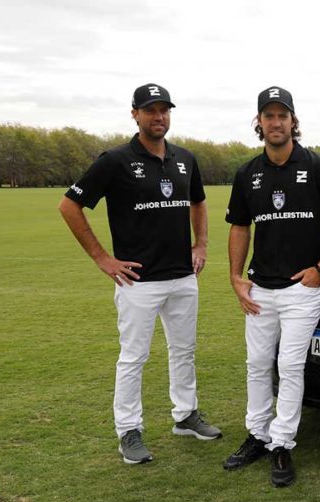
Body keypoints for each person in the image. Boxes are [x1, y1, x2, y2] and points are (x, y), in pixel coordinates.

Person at [59, 83, 220, 465]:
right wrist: (102, 258)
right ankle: (128, 431)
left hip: (182, 275)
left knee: (184, 351)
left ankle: (185, 415)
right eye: (150, 110)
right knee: (134, 357)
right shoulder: (114, 160)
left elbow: (198, 201)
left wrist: (201, 245)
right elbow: (69, 206)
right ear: (135, 114)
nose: (158, 116)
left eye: (164, 109)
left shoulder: (185, 158)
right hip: (138, 281)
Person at [223, 86, 320, 488]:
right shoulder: (248, 172)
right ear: (258, 123)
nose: (275, 122)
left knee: (290, 366)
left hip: (303, 288)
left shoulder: (317, 166)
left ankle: (282, 443)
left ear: (293, 121)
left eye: (283, 116)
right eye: (268, 116)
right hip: (261, 288)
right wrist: (236, 276)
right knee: (258, 365)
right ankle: (258, 435)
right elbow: (240, 226)